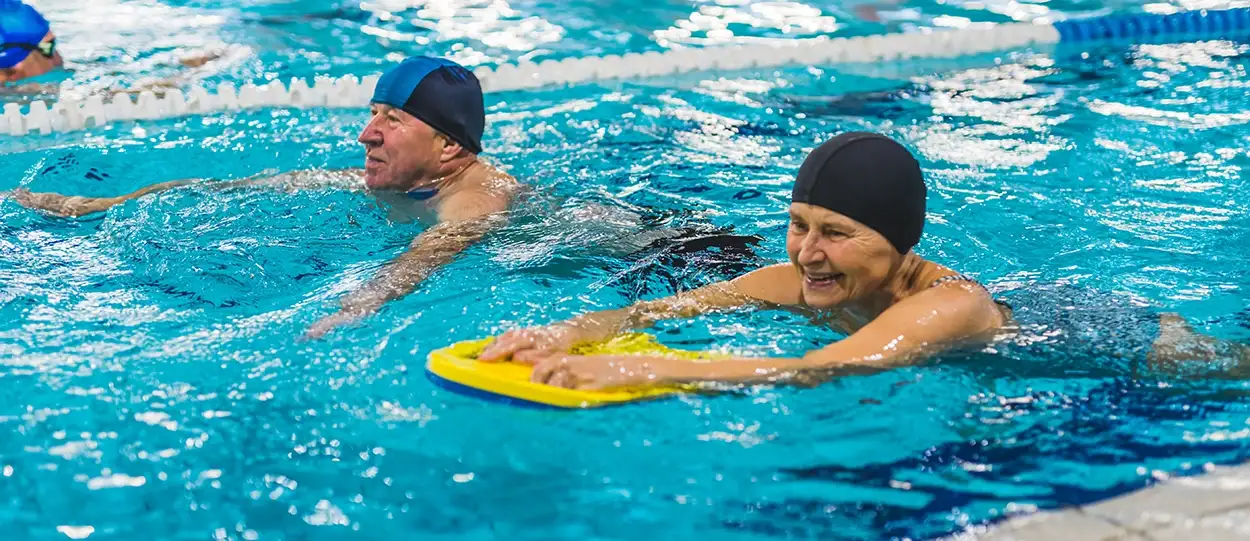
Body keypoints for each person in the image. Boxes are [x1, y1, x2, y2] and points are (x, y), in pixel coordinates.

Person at [479, 131, 1248, 390]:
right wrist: (572, 330)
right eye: (798, 224)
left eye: (837, 232)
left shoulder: (952, 305)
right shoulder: (806, 277)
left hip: (1120, 343)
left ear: (902, 243)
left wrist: (648, 370)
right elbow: (657, 309)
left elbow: (828, 367)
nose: (808, 253)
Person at [12, 55, 522, 339]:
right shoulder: (395, 177)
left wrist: (356, 307)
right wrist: (104, 205)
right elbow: (238, 187)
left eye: (393, 120)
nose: (367, 134)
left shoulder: (475, 198)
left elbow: (431, 253)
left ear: (450, 144)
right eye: (372, 113)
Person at [0, 0, 224, 95]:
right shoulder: (26, 95)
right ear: (12, 70)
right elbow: (117, 96)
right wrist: (186, 77)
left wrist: (180, 64)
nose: (59, 56)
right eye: (48, 48)